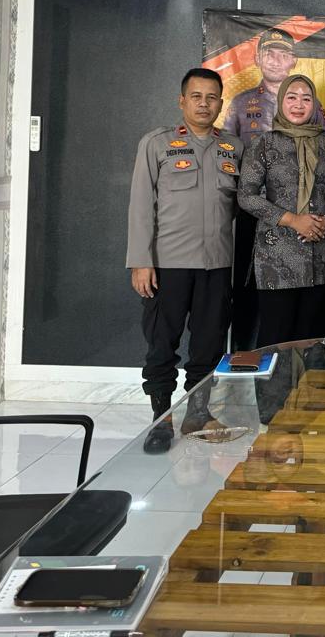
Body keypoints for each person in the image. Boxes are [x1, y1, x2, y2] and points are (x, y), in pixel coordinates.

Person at [126, 67, 242, 453]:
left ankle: (198, 414)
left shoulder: (233, 148)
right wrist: (141, 261)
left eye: (211, 98)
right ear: (182, 101)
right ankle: (161, 420)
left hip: (216, 264)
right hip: (167, 265)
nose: (204, 104)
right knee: (162, 346)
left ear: (221, 103)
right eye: (196, 96)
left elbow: (238, 208)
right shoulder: (157, 144)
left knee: (208, 346)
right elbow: (141, 206)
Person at [237, 74, 325, 345]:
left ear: (314, 105)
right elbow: (246, 196)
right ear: (281, 101)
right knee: (276, 340)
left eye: (306, 99)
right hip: (276, 260)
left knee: (315, 341)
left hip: (320, 257)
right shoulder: (263, 143)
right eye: (292, 97)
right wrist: (293, 220)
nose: (299, 104)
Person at [221, 27, 304, 352]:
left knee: (289, 294)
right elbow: (226, 153)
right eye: (269, 53)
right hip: (252, 210)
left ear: (293, 61)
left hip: (295, 215)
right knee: (248, 286)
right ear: (257, 58)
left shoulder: (309, 104)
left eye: (283, 54)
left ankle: (289, 360)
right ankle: (246, 357)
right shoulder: (241, 103)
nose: (276, 59)